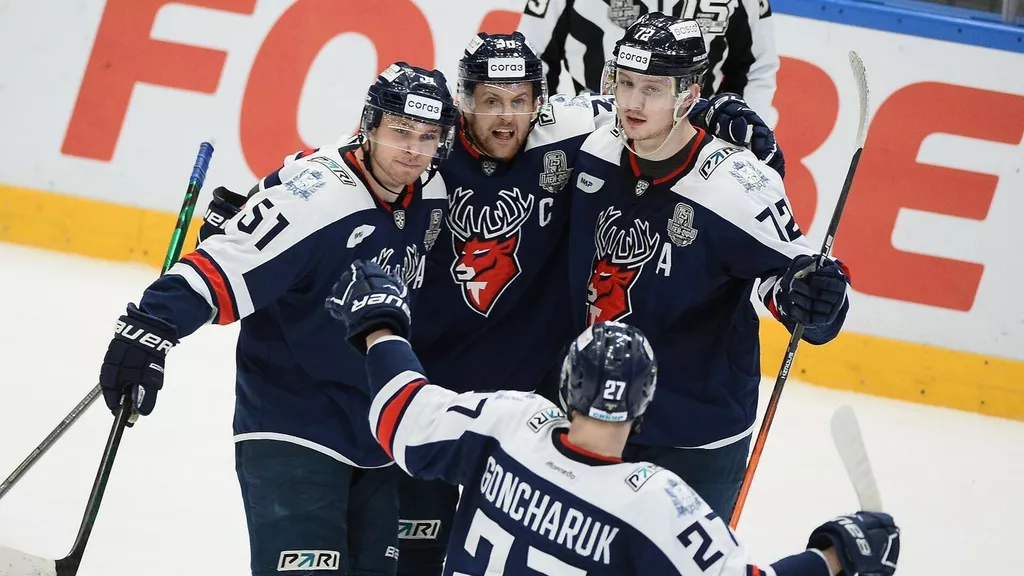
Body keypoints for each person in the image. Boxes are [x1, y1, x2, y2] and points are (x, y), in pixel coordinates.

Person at [396, 31, 782, 576]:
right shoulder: (425, 146)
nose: (506, 116)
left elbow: (663, 117)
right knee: (415, 556)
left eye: (520, 100)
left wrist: (714, 111)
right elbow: (365, 162)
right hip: (440, 390)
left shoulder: (580, 127)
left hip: (540, 405)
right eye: (490, 100)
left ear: (541, 101)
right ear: (464, 99)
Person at [96, 62, 458, 576]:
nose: (412, 150)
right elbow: (222, 265)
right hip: (294, 425)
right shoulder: (318, 197)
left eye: (427, 137)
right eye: (400, 130)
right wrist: (149, 329)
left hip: (377, 433)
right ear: (369, 124)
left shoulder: (432, 193)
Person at [323, 259, 900, 576]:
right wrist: (839, 554)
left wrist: (380, 328)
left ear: (566, 384)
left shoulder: (509, 423)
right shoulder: (654, 502)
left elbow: (401, 414)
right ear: (644, 403)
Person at [566, 12, 851, 524]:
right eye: (625, 83)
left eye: (652, 89)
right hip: (594, 413)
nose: (632, 103)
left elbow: (792, 287)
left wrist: (814, 299)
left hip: (694, 435)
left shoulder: (734, 185)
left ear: (689, 95)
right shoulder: (593, 148)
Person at [519, 0, 781, 127]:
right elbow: (530, 62)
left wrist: (737, 134)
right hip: (592, 132)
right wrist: (545, 129)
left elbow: (755, 69)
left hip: (693, 139)